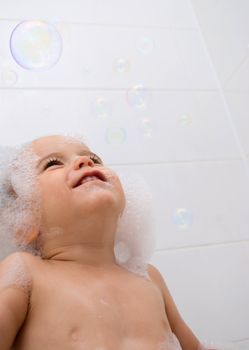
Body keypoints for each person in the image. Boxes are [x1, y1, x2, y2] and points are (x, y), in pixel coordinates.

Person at [0, 134, 213, 350]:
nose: (85, 161)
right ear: (23, 223)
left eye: (95, 158)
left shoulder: (149, 278)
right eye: (53, 163)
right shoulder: (25, 272)